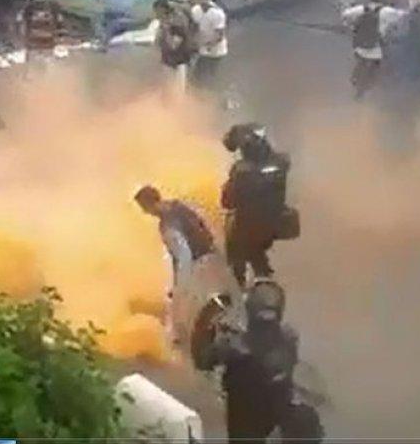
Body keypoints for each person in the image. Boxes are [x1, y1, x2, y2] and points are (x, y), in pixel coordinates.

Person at [209, 280, 315, 443]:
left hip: (247, 425)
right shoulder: (289, 338)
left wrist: (215, 330)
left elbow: (203, 359)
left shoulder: (234, 347)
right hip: (276, 420)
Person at [220, 124, 292, 286]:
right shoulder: (280, 163)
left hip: (248, 225)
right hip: (272, 222)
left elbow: (227, 201)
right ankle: (263, 274)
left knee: (237, 248)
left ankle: (239, 283)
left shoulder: (241, 171)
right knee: (254, 248)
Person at [134, 185, 216, 290]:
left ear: (149, 204)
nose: (145, 212)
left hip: (199, 273)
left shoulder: (167, 225)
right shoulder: (179, 206)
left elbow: (184, 257)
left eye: (144, 208)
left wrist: (181, 289)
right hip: (213, 262)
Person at [340, 0, 406, 100]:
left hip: (360, 46)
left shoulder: (361, 9)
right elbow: (401, 15)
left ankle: (355, 80)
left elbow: (345, 14)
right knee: (378, 67)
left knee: (361, 61)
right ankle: (368, 87)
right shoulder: (387, 11)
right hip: (376, 48)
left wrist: (349, 25)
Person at [153, 0, 195, 97]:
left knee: (177, 92)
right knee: (166, 90)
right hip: (167, 60)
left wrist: (166, 30)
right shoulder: (164, 21)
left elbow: (173, 45)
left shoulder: (177, 25)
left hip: (178, 62)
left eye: (157, 11)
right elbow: (158, 42)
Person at [190, 0, 228, 92]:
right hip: (202, 48)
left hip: (216, 51)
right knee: (197, 76)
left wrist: (207, 45)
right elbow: (195, 26)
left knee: (210, 76)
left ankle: (213, 95)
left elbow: (219, 36)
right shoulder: (196, 10)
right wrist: (194, 41)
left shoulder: (217, 14)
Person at [20, 0, 61, 72]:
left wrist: (24, 39)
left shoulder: (28, 10)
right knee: (47, 64)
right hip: (47, 42)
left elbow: (23, 26)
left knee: (31, 65)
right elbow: (58, 24)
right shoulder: (52, 10)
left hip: (33, 43)